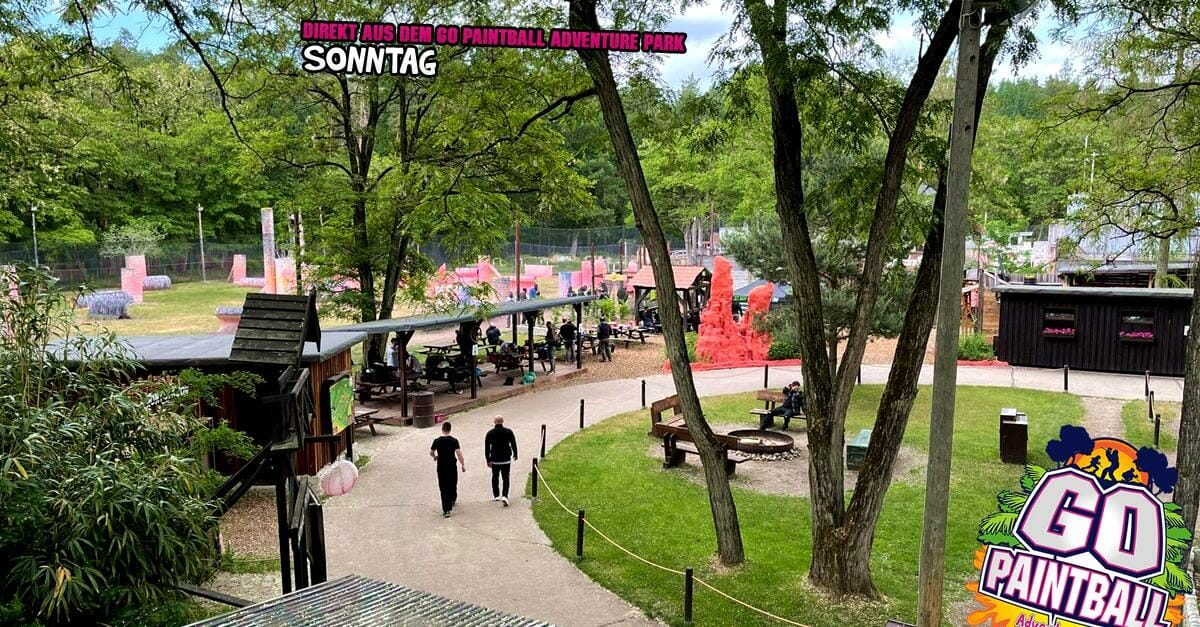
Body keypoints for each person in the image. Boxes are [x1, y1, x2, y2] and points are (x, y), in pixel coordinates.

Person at [430, 422, 465, 517]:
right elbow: (459, 454)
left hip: (441, 466)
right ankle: (453, 498)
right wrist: (463, 465)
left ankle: (446, 509)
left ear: (442, 429)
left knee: (443, 486)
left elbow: (431, 452)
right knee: (453, 482)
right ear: (450, 429)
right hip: (451, 465)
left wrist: (435, 457)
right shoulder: (454, 441)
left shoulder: (437, 441)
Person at [485, 415, 519, 506]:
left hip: (495, 459)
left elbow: (487, 448)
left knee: (495, 476)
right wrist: (515, 454)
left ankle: (496, 495)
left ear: (494, 422)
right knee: (506, 477)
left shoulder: (490, 433)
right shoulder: (508, 432)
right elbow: (513, 443)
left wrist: (488, 459)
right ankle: (505, 495)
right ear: (503, 421)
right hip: (506, 458)